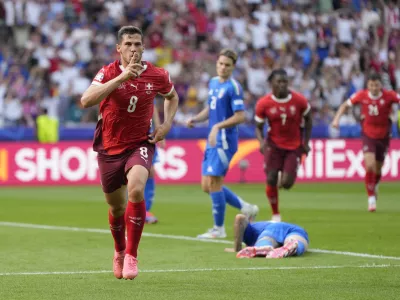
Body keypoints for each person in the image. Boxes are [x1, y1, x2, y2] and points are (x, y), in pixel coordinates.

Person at [80, 26, 179, 280]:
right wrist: (121, 79)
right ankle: (119, 251)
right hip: (109, 147)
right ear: (119, 48)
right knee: (116, 208)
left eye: (137, 44)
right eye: (128, 44)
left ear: (144, 47)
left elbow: (172, 96)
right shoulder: (108, 72)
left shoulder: (157, 75)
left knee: (136, 188)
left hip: (140, 143)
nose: (133, 49)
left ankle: (133, 256)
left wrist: (166, 124)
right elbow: (86, 100)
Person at [186, 49, 259, 239]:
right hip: (213, 139)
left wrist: (218, 126)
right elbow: (210, 109)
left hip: (225, 141)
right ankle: (246, 207)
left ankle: (218, 229)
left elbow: (241, 116)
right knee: (206, 185)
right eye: (220, 64)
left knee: (214, 182)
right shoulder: (213, 83)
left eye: (227, 65)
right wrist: (195, 118)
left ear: (233, 67)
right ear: (217, 63)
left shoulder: (233, 88)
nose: (223, 67)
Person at [331, 73, 400, 212]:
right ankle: (371, 199)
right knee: (369, 165)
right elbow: (345, 105)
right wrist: (336, 119)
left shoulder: (389, 96)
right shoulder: (361, 95)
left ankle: (375, 184)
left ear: (381, 85)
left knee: (378, 168)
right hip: (368, 135)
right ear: (368, 85)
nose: (374, 88)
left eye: (376, 85)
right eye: (371, 85)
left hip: (384, 136)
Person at [254, 69, 312, 222]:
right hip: (273, 145)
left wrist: (306, 142)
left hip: (294, 146)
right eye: (278, 82)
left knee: (286, 184)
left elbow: (309, 120)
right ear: (271, 83)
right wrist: (261, 142)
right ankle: (275, 214)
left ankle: (284, 178)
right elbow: (258, 126)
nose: (282, 85)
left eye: (285, 82)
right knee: (271, 178)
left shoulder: (299, 101)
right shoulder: (263, 103)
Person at [224, 214, 309, 259]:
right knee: (296, 242)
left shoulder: (252, 229)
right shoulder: (256, 226)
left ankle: (263, 247)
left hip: (268, 231)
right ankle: (292, 247)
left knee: (265, 240)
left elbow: (239, 217)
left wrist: (237, 248)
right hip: (294, 229)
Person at [144, 104, 165, 224]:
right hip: (132, 133)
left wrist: (159, 130)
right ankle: (133, 209)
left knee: (150, 172)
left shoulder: (147, 86)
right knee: (136, 172)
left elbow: (153, 108)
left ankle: (145, 210)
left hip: (148, 133)